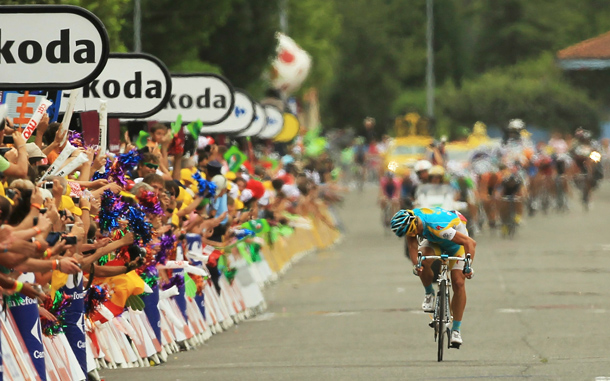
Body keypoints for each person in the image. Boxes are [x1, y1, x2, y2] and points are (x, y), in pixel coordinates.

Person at [390, 208, 476, 346]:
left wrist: (468, 266)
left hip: (456, 245)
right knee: (422, 261)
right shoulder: (410, 219)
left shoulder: (438, 227)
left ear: (414, 227)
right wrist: (417, 266)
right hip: (435, 241)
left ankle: (456, 330)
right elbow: (413, 246)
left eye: (411, 233)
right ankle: (429, 293)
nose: (411, 236)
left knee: (458, 282)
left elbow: (470, 243)